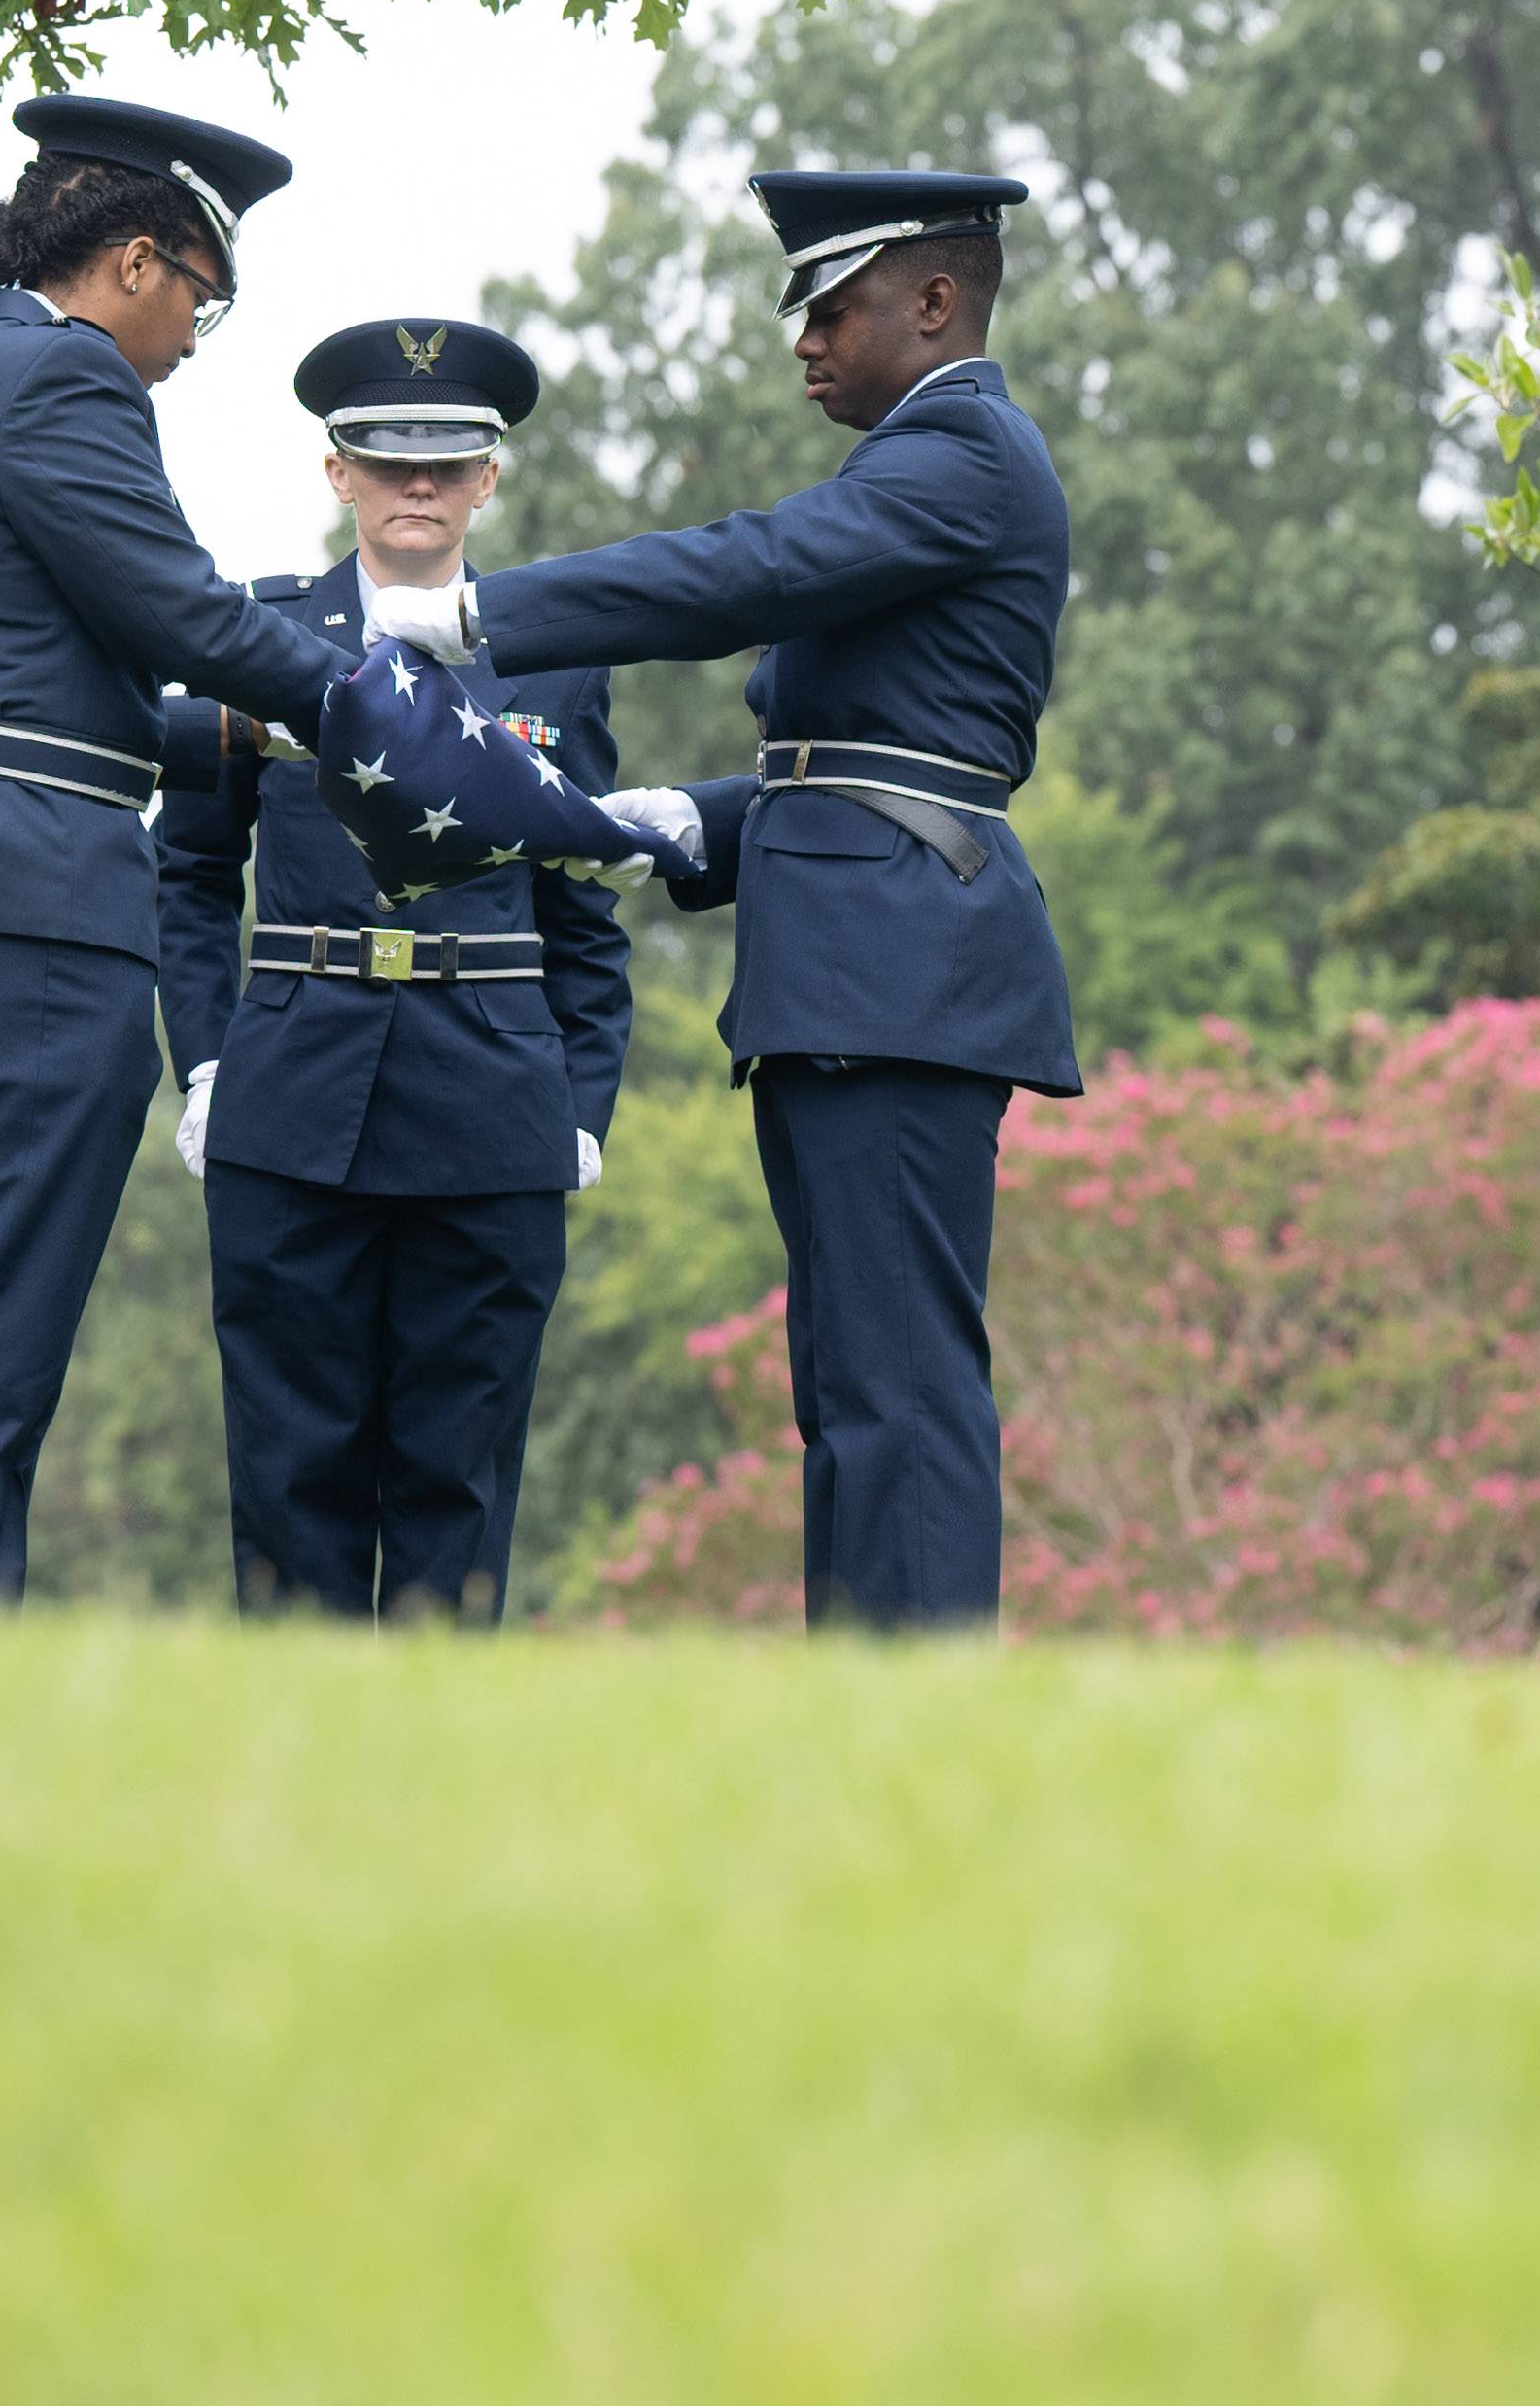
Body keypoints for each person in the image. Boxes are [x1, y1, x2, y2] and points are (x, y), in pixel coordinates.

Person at [432, 168, 1076, 1631]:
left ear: (933, 302)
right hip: (862, 956)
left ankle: (922, 1711)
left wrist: (484, 611)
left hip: (900, 969)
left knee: (896, 1382)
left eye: (831, 307)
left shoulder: (962, 450)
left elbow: (751, 571)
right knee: (851, 1380)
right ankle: (868, 1697)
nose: (804, 340)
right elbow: (872, 745)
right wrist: (686, 823)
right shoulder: (925, 461)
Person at [0, 94, 376, 1601]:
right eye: (202, 296)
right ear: (135, 261)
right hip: (18, 914)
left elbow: (50, 673)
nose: (193, 337)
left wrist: (247, 734)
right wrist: (377, 704)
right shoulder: (69, 390)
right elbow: (182, 615)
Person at [146, 315, 634, 1623]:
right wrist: (204, 1060)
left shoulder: (556, 656)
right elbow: (188, 873)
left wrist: (584, 1103)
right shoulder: (255, 636)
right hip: (292, 1091)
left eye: (447, 463)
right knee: (290, 1476)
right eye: (385, 459)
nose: (417, 486)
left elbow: (585, 900)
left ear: (488, 479)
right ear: (337, 475)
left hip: (492, 1103)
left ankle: (446, 1791)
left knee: (457, 1483)